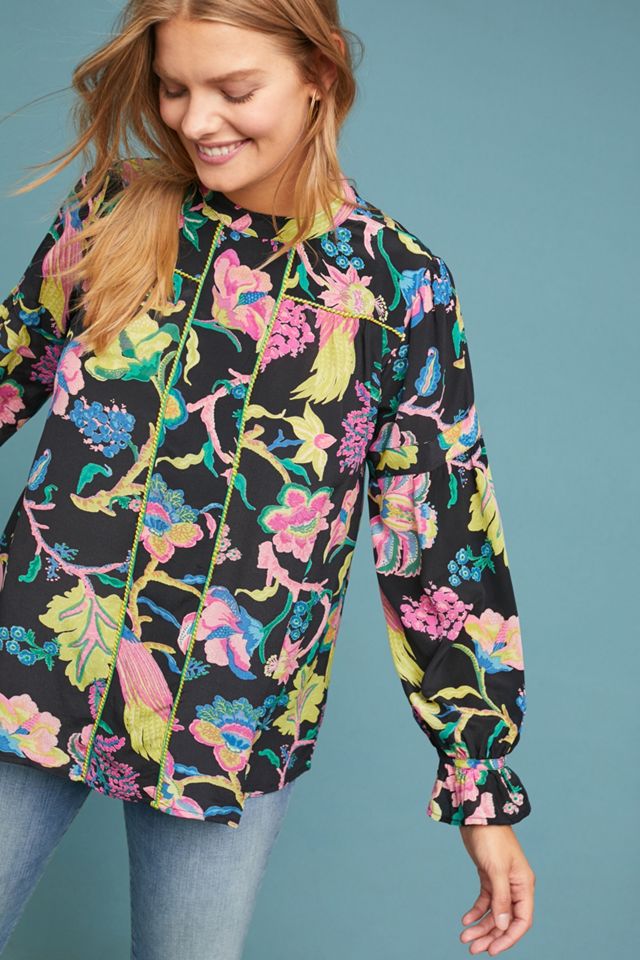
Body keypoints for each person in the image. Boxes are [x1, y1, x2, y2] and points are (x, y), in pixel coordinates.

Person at [0, 1, 535, 958]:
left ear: (318, 75)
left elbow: (439, 540)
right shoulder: (112, 212)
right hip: (35, 667)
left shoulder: (399, 286)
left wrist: (480, 784)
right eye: (173, 89)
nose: (196, 120)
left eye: (233, 89)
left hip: (232, 713)